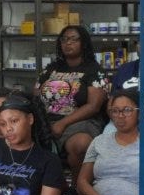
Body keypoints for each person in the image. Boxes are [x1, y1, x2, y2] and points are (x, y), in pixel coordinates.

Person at [36, 24, 107, 174]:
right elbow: (36, 95)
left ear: (84, 43)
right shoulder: (51, 69)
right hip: (47, 121)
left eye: (74, 39)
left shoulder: (94, 70)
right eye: (64, 39)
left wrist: (62, 123)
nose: (68, 43)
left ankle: (77, 188)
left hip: (80, 122)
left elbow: (93, 106)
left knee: (80, 144)